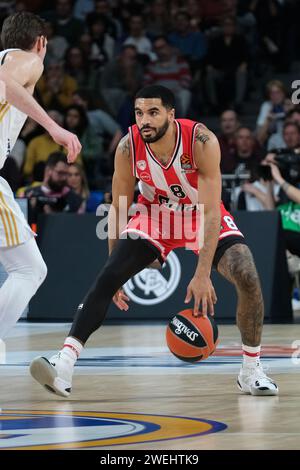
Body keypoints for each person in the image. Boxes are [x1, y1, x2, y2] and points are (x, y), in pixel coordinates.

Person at [30, 85, 278, 398]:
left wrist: (202, 274)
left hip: (200, 214)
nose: (144, 119)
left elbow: (213, 212)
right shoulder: (127, 147)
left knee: (246, 272)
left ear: (171, 115)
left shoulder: (201, 141)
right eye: (138, 113)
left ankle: (251, 370)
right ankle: (63, 364)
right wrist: (114, 270)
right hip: (155, 216)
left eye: (153, 112)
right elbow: (118, 209)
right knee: (108, 277)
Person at [0, 11, 81, 340]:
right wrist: (54, 128)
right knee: (29, 269)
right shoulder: (28, 59)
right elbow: (5, 85)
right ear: (41, 42)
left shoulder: (5, 57)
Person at [24, 152, 85, 224]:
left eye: (66, 174)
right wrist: (30, 208)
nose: (64, 178)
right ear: (48, 171)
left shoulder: (74, 199)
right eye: (60, 173)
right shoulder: (29, 195)